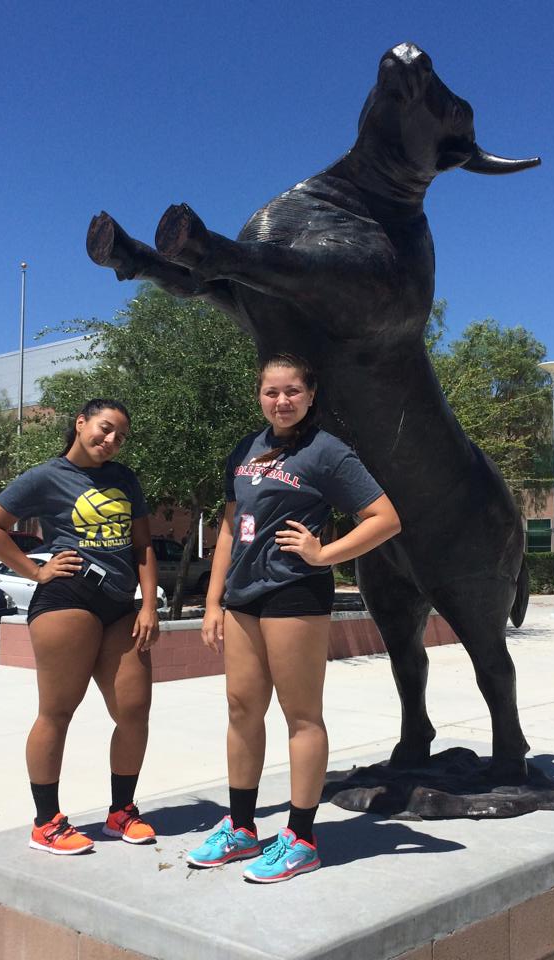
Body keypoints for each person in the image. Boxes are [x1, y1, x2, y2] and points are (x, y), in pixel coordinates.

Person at [187, 354, 400, 882]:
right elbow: (230, 530)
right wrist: (214, 601)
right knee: (241, 708)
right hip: (243, 597)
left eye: (292, 392)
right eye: (271, 392)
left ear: (310, 395)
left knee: (300, 715)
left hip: (294, 593)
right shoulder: (246, 449)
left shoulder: (326, 452)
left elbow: (386, 518)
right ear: (259, 395)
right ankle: (241, 828)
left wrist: (324, 554)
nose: (281, 401)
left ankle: (302, 837)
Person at [0, 399, 160, 855]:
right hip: (67, 599)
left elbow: (142, 546)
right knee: (57, 711)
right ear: (80, 424)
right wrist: (35, 571)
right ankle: (46, 822)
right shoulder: (45, 476)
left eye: (120, 435)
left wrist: (149, 604)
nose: (111, 440)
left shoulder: (124, 478)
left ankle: (121, 812)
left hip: (121, 605)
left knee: (133, 711)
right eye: (104, 428)